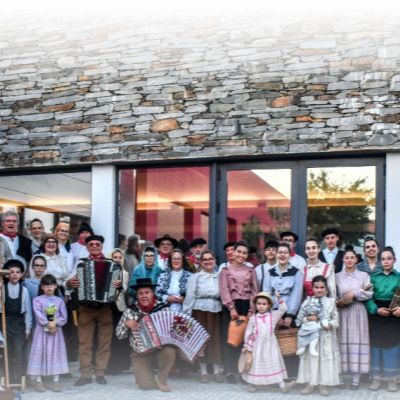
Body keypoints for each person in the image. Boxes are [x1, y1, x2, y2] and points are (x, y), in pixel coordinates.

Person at [66, 235, 122, 386]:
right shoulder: (81, 264)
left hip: (105, 308)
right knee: (84, 342)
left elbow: (119, 287)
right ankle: (85, 374)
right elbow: (68, 282)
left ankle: (100, 372)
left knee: (105, 342)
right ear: (87, 247)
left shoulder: (112, 265)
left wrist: (118, 285)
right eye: (91, 244)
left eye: (98, 244)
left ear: (102, 246)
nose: (95, 246)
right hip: (86, 307)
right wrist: (70, 283)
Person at [116, 278, 176, 392]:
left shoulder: (163, 309)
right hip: (140, 353)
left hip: (159, 350)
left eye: (147, 292)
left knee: (170, 351)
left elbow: (173, 332)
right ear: (137, 296)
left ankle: (161, 378)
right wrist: (127, 324)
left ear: (152, 294)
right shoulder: (130, 311)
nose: (144, 296)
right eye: (140, 293)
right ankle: (147, 375)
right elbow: (119, 335)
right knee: (146, 386)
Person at [219, 241, 259, 384]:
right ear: (233, 253)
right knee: (231, 339)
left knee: (245, 340)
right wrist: (231, 308)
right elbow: (224, 290)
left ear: (247, 255)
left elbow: (255, 290)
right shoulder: (225, 271)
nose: (241, 255)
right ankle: (230, 370)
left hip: (246, 305)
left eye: (244, 253)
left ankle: (243, 371)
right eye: (239, 252)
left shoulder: (251, 271)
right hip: (231, 306)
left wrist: (252, 310)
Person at [183, 250, 224, 383]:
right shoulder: (195, 277)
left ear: (215, 261)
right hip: (199, 311)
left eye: (210, 259)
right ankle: (204, 370)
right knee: (201, 340)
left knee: (215, 340)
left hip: (216, 311)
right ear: (201, 262)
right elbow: (190, 296)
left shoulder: (220, 276)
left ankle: (216, 370)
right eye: (204, 260)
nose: (208, 262)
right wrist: (187, 315)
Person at [296, 275, 340, 396]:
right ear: (312, 288)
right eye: (316, 287)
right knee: (311, 358)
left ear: (326, 288)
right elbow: (300, 318)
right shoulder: (307, 301)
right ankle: (310, 383)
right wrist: (307, 319)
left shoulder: (330, 302)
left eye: (322, 287)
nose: (319, 290)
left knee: (323, 359)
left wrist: (329, 324)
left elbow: (336, 320)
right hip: (310, 335)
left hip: (324, 335)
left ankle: (323, 384)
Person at [336, 247, 372, 390]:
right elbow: (332, 294)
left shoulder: (363, 275)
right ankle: (341, 377)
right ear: (343, 260)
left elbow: (370, 292)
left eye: (352, 257)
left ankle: (356, 378)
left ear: (356, 259)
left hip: (358, 311)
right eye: (347, 258)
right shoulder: (337, 276)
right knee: (341, 341)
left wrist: (355, 293)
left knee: (357, 341)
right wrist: (338, 302)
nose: (349, 260)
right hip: (342, 312)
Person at [242, 291, 291, 393]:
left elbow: (283, 309)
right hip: (257, 345)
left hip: (270, 345)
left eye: (264, 304)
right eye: (259, 304)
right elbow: (248, 332)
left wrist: (279, 298)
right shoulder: (253, 318)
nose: (261, 306)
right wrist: (246, 345)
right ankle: (252, 383)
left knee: (273, 362)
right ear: (255, 305)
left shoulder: (273, 316)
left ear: (269, 305)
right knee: (255, 364)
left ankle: (282, 385)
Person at [365, 246, 400, 392]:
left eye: (389, 258)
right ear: (380, 261)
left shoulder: (399, 277)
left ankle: (392, 379)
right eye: (383, 259)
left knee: (392, 345)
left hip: (394, 316)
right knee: (376, 345)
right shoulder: (373, 278)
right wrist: (375, 309)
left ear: (394, 260)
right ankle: (376, 378)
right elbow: (367, 297)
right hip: (377, 315)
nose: (386, 261)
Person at [27, 274, 69, 392]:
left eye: (51, 285)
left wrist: (55, 323)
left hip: (56, 332)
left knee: (56, 353)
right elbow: (38, 315)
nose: (49, 288)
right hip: (41, 332)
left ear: (55, 286)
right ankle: (38, 380)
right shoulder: (37, 300)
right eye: (46, 286)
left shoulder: (59, 301)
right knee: (40, 353)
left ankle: (56, 381)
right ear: (42, 287)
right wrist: (47, 324)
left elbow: (64, 317)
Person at [0, 259, 33, 384]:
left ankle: (19, 379)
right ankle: (8, 378)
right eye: (11, 272)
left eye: (17, 272)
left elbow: (28, 312)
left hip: (19, 325)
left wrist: (28, 328)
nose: (14, 275)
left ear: (21, 274)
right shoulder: (2, 289)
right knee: (7, 352)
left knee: (19, 351)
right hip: (5, 323)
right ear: (7, 275)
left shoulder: (24, 291)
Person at [263, 242, 303, 328]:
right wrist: (275, 313)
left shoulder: (297, 273)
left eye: (285, 253)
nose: (282, 255)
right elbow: (267, 294)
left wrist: (290, 315)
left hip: (290, 312)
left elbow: (296, 295)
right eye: (280, 252)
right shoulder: (269, 273)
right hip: (272, 311)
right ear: (276, 254)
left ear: (289, 255)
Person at [107, 248, 131, 375]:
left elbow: (125, 290)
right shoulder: (106, 271)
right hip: (107, 306)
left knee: (118, 336)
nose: (117, 259)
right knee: (108, 336)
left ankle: (119, 364)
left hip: (120, 307)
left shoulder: (125, 273)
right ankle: (107, 364)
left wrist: (120, 285)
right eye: (115, 257)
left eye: (119, 257)